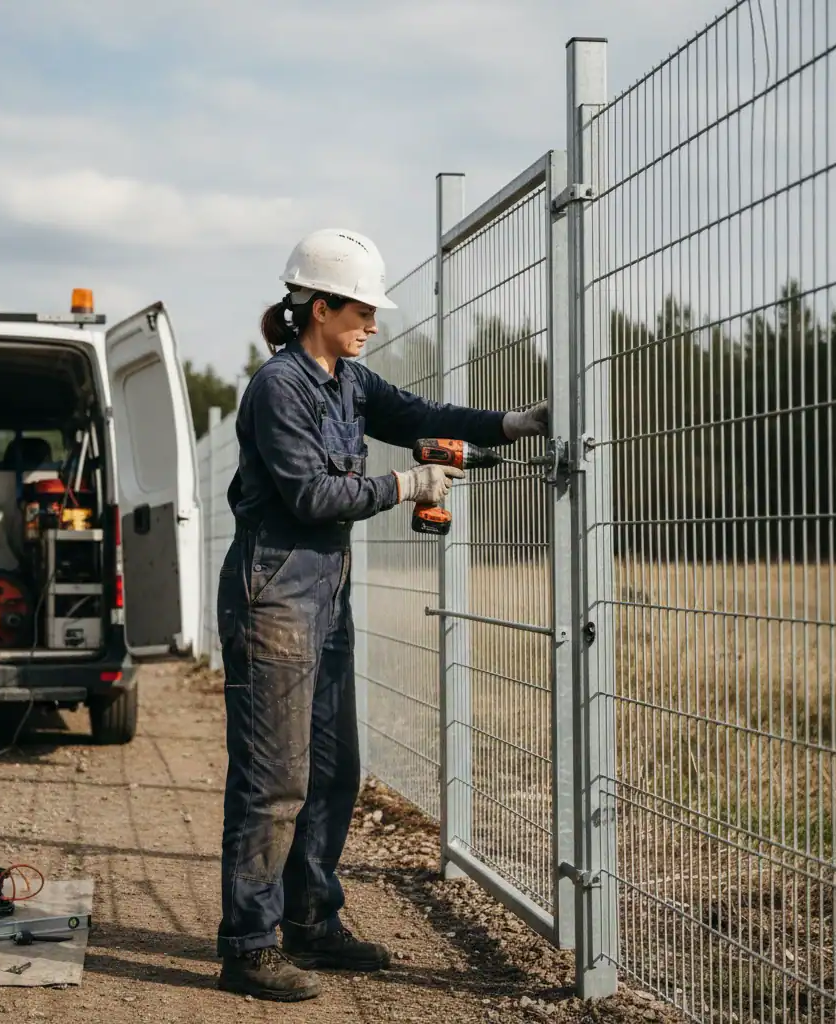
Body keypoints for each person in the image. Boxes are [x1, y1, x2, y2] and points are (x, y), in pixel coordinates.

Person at [215, 228, 549, 1002]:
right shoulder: (280, 388)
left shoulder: (350, 382)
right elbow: (309, 496)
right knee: (275, 779)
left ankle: (311, 921)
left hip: (324, 599)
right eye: (362, 308)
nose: (373, 322)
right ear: (319, 306)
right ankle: (248, 944)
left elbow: (420, 412)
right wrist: (406, 486)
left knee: (335, 770)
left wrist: (510, 424)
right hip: (274, 599)